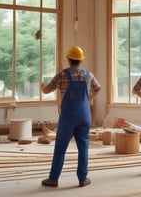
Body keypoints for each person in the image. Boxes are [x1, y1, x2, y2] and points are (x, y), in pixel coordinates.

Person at [40, 46, 101, 187]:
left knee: (61, 147)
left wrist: (42, 86)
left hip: (68, 116)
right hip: (85, 116)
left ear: (68, 59)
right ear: (81, 60)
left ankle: (53, 179)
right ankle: (83, 179)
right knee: (83, 147)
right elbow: (98, 88)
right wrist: (89, 98)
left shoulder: (62, 75)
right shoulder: (88, 75)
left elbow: (47, 90)